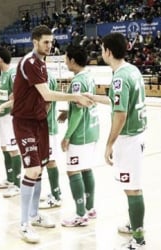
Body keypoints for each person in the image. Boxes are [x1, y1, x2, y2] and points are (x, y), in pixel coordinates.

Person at [11, 24, 93, 244]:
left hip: (40, 123)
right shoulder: (29, 62)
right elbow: (46, 93)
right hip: (25, 123)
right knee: (33, 169)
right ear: (34, 41)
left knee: (40, 170)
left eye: (51, 41)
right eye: (45, 42)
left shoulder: (42, 64)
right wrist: (75, 98)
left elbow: (43, 98)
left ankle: (34, 215)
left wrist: (46, 110)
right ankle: (24, 224)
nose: (50, 45)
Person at [88, 32, 147, 248]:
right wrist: (94, 97)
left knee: (133, 187)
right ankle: (135, 224)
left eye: (102, 49)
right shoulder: (131, 70)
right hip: (136, 135)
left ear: (108, 52)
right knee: (130, 185)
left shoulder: (121, 76)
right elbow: (117, 102)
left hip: (129, 138)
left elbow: (120, 114)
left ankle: (139, 239)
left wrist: (109, 144)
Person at [61, 45, 99, 227]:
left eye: (66, 58)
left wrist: (67, 136)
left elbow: (77, 112)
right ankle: (90, 208)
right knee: (86, 168)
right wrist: (65, 113)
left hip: (80, 133)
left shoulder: (77, 81)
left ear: (73, 61)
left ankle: (80, 214)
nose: (65, 61)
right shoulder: (88, 76)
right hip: (92, 130)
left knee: (73, 170)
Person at [0, 47, 22, 198]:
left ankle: (17, 184)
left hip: (11, 117)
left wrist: (2, 107)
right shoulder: (2, 74)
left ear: (0, 59)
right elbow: (4, 95)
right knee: (4, 147)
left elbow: (17, 96)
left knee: (13, 149)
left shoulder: (12, 73)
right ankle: (9, 179)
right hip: (3, 117)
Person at [39, 72, 62, 209]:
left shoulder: (45, 78)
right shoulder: (48, 77)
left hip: (47, 127)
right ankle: (54, 193)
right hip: (47, 126)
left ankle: (56, 196)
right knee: (45, 161)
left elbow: (46, 104)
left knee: (50, 161)